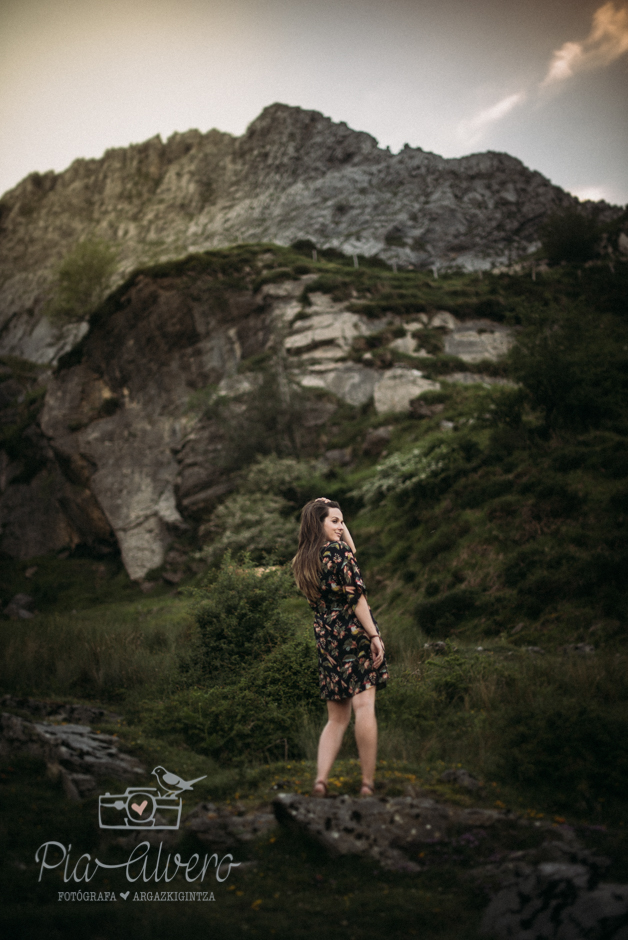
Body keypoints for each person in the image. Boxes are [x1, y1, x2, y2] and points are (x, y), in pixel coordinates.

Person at [292, 498, 389, 798]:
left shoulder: (302, 560)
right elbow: (356, 597)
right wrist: (374, 635)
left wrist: (331, 515)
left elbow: (351, 550)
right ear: (318, 523)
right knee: (364, 708)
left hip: (327, 639)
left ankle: (321, 780)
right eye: (334, 520)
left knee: (336, 719)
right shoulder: (338, 551)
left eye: (342, 521)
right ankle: (367, 784)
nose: (341, 526)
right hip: (353, 634)